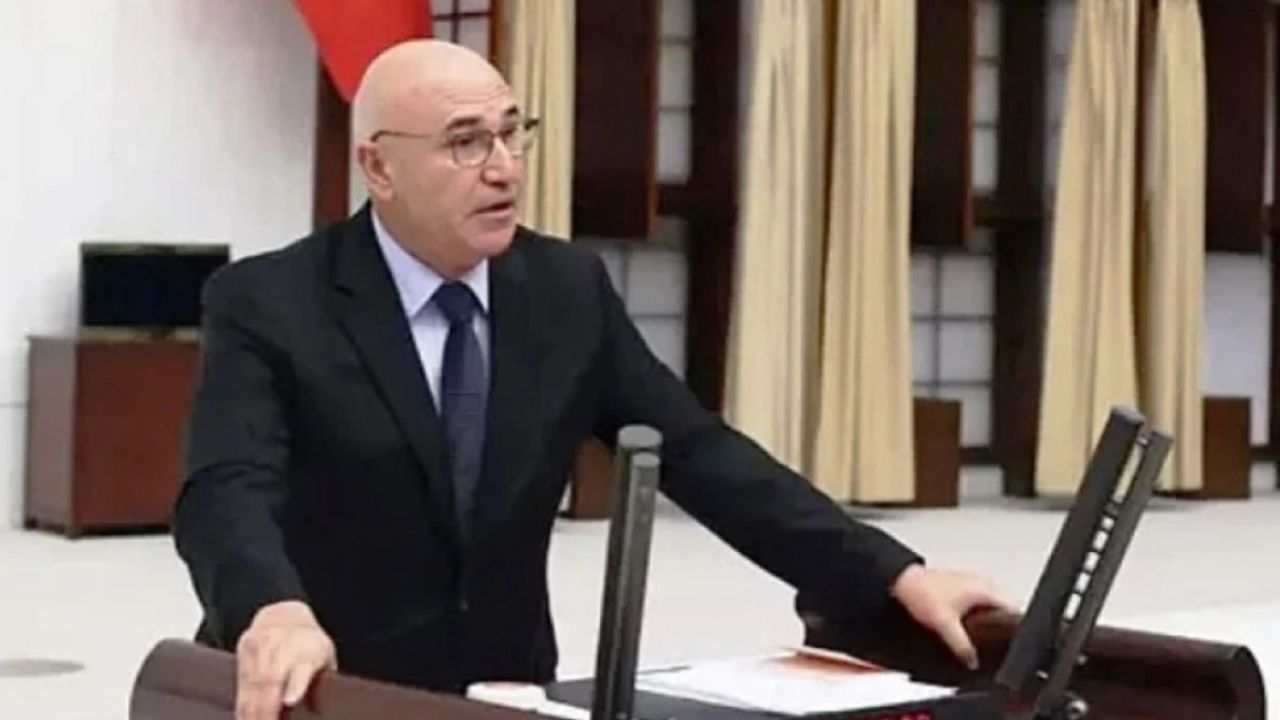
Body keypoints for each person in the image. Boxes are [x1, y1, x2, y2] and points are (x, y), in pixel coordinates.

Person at [174, 39, 1004, 720]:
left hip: (503, 692)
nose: (504, 168)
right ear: (379, 168)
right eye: (466, 142)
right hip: (327, 693)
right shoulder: (271, 300)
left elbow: (701, 454)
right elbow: (225, 487)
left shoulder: (563, 291)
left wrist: (894, 573)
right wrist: (270, 610)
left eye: (512, 133)